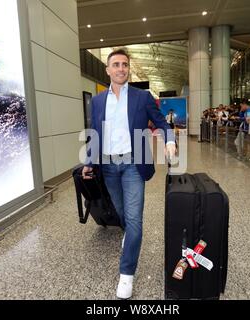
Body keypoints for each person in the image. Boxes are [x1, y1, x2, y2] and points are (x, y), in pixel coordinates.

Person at [82, 49, 176, 299]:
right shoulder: (99, 100)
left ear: (128, 68)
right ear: (108, 70)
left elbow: (162, 123)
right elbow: (95, 133)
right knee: (121, 213)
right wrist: (90, 161)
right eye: (116, 64)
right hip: (109, 167)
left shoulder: (142, 97)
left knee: (134, 219)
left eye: (125, 64)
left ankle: (126, 274)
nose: (121, 68)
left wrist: (169, 139)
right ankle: (128, 238)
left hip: (134, 165)